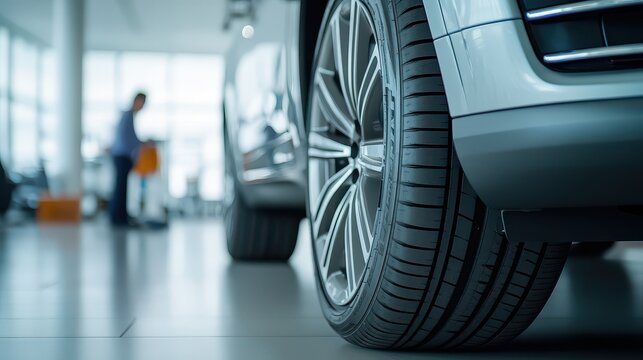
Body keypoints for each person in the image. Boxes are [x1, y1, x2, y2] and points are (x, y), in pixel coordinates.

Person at [109, 92, 146, 225]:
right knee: (120, 188)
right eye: (142, 103)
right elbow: (128, 139)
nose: (142, 107)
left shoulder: (128, 116)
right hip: (122, 156)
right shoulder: (128, 116)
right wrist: (142, 144)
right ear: (136, 101)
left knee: (121, 187)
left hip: (121, 155)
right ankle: (118, 218)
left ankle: (121, 215)